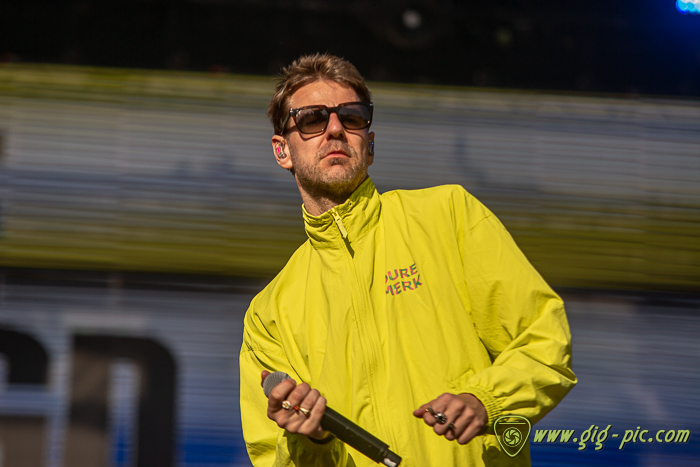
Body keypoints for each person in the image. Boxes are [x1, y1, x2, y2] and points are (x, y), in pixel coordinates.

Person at [239, 53, 576, 466]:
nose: (335, 129)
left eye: (352, 117)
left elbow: (543, 339)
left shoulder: (449, 215)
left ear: (370, 144)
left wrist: (485, 400)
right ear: (282, 151)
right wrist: (313, 440)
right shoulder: (268, 316)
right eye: (311, 119)